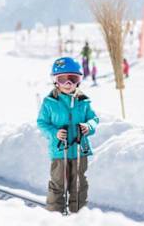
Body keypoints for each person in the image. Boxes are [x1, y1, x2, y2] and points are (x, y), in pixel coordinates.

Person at [37, 57, 99, 214]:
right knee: (59, 183)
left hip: (79, 150)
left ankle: (78, 214)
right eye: (63, 79)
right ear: (55, 81)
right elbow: (42, 123)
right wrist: (54, 133)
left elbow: (94, 119)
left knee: (79, 184)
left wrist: (89, 126)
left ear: (79, 81)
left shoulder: (84, 101)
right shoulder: (50, 102)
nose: (68, 83)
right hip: (60, 151)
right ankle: (55, 214)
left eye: (73, 79)